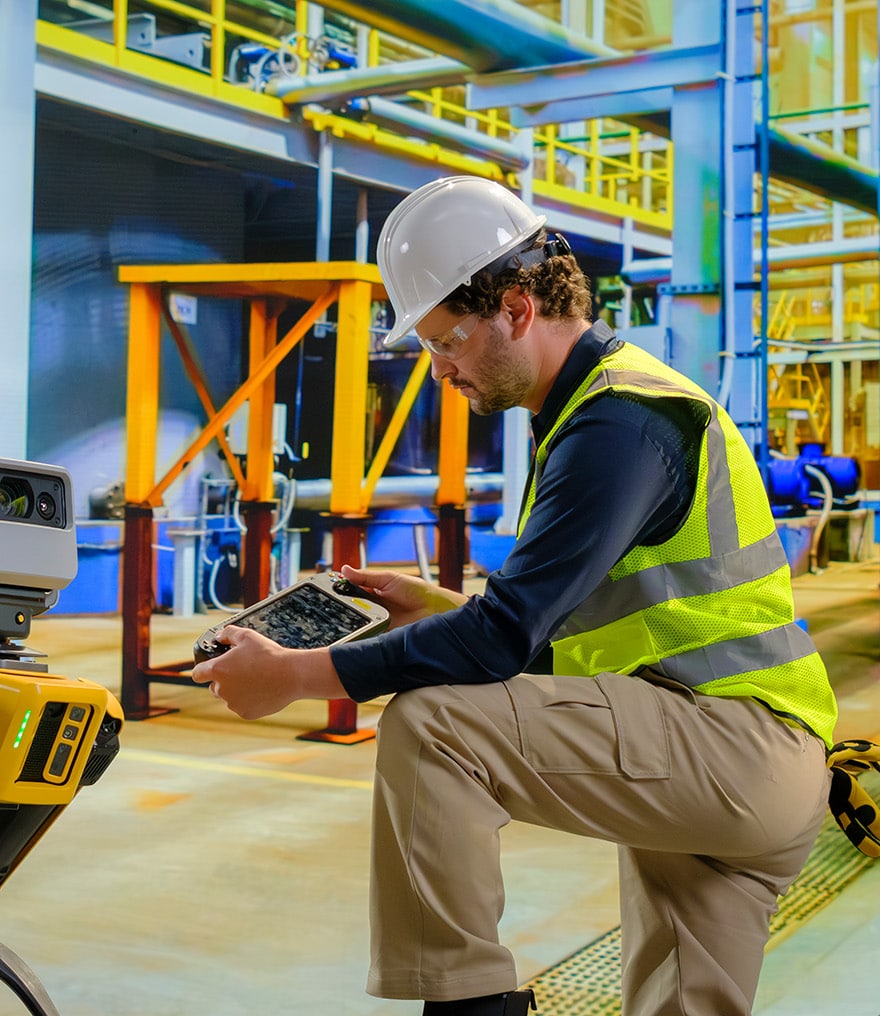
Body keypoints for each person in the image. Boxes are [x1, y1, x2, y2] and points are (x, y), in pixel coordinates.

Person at [191, 175, 838, 1016]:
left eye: (446, 341)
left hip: (729, 747)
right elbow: (549, 636)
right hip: (735, 757)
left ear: (517, 305)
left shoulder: (618, 425)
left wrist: (299, 676)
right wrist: (440, 608)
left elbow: (500, 646)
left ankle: (470, 1007)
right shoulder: (600, 411)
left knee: (434, 729)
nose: (439, 371)